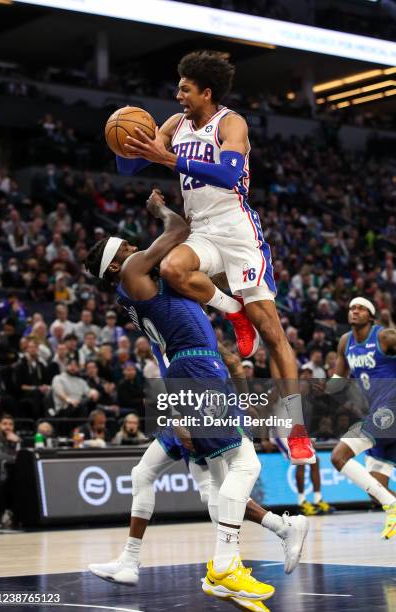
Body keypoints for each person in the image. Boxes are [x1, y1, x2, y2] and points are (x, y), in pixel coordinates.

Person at [85, 191, 307, 604]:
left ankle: (152, 562)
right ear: (116, 264)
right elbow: (179, 230)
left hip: (190, 372)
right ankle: (231, 562)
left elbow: (195, 292)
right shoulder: (133, 271)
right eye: (128, 249)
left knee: (200, 483)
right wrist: (159, 210)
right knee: (242, 465)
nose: (136, 249)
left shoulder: (149, 289)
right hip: (197, 373)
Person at [118, 50, 315, 466]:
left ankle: (296, 428)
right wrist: (125, 139)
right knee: (172, 269)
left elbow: (228, 174)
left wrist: (168, 159)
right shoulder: (175, 124)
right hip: (202, 227)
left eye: (185, 89)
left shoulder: (231, 122)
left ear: (206, 92)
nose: (178, 96)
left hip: (237, 228)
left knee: (273, 331)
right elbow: (130, 169)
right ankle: (232, 311)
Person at [331, 297, 396, 539]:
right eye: (351, 308)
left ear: (371, 316)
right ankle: (392, 505)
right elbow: (338, 379)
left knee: (338, 457)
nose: (354, 311)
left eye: (360, 309)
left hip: (390, 410)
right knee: (376, 489)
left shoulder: (384, 337)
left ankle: (392, 507)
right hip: (377, 413)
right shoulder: (345, 342)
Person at [0, 414, 19, 527]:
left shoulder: (12, 439)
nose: (8, 427)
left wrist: (15, 443)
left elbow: (18, 456)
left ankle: (15, 517)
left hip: (4, 474)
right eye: (5, 424)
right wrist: (14, 458)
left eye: (11, 424)